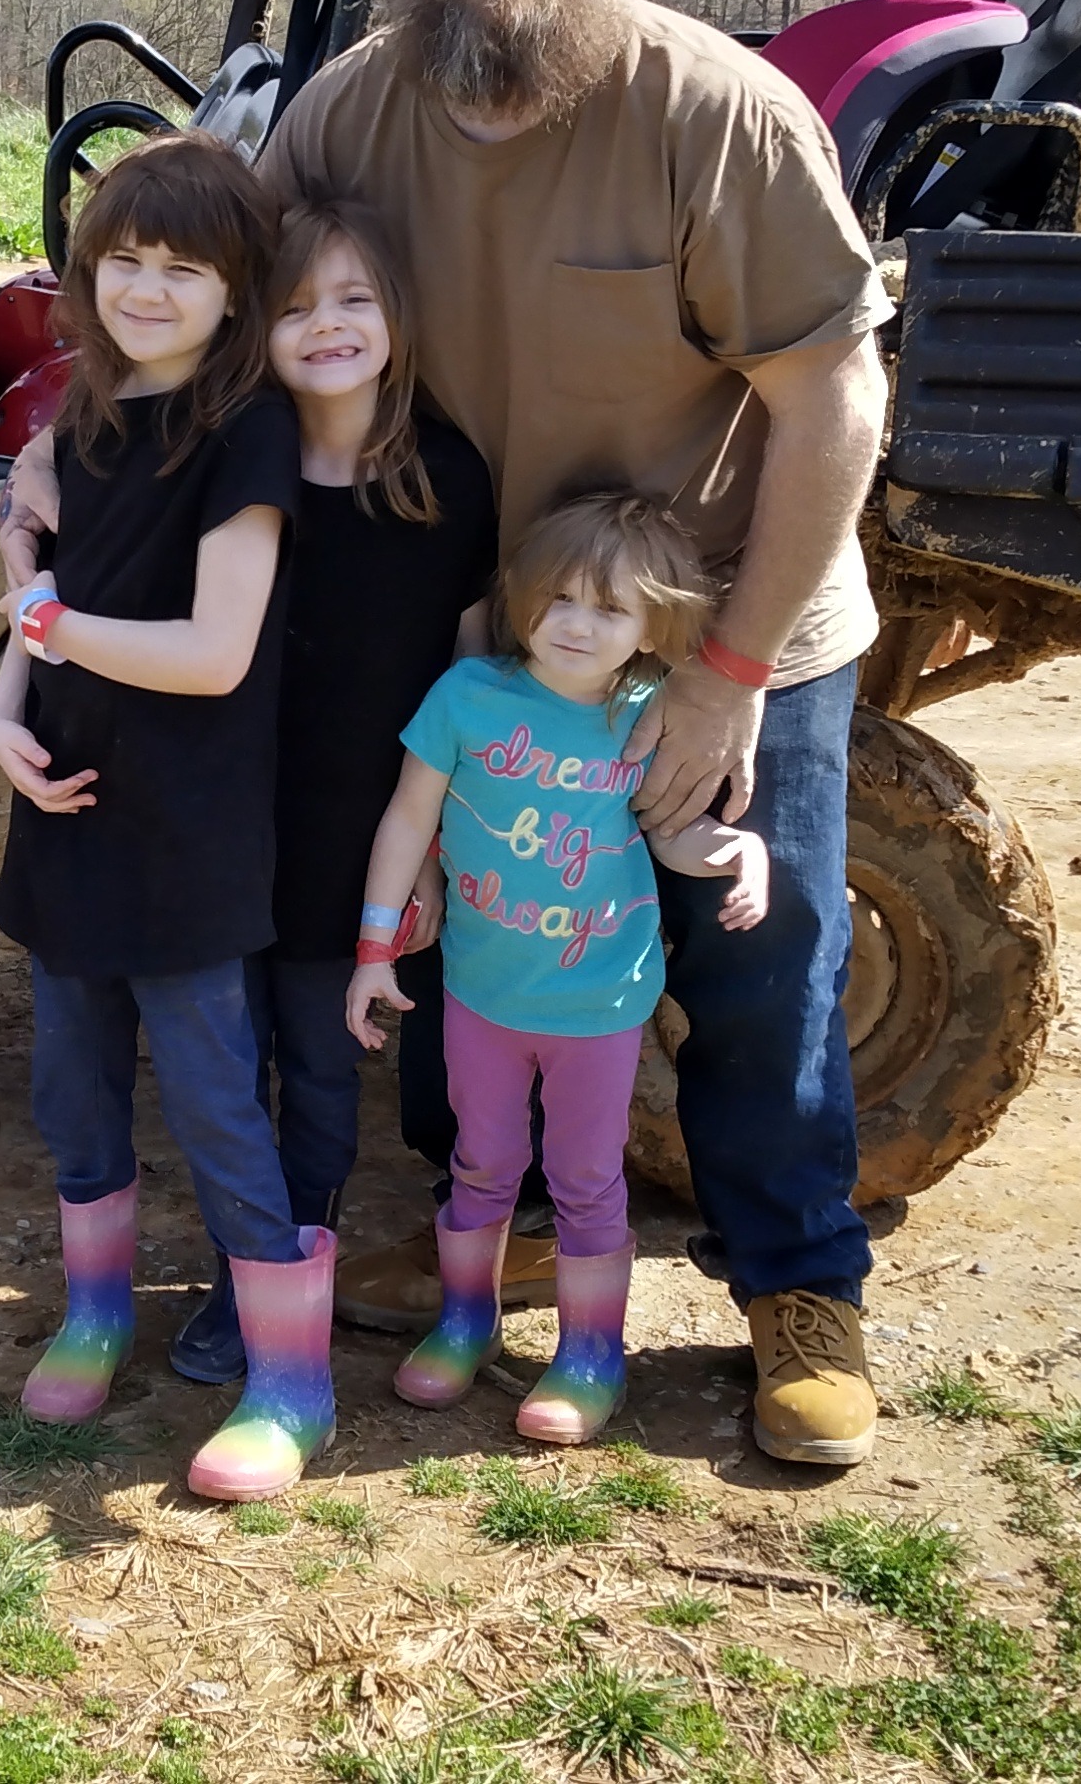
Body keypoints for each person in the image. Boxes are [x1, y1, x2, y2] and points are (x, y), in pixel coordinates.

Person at [38, 0, 896, 1464]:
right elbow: (208, 324)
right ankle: (493, 1230)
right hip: (471, 645)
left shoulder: (715, 113)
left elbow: (834, 401)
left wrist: (728, 675)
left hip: (708, 625)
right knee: (464, 941)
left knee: (752, 958)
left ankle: (801, 1284)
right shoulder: (347, 117)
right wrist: (41, 471)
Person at [17, 205, 500, 1386]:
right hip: (215, 816)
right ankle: (244, 1271)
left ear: (399, 317)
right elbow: (90, 532)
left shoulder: (446, 477)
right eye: (294, 308)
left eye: (354, 300)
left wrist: (428, 853)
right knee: (221, 1068)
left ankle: (285, 1277)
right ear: (251, 326)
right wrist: (24, 486)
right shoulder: (231, 452)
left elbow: (468, 671)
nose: (325, 327)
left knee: (320, 1066)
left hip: (356, 828)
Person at [0, 131, 331, 1504]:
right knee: (69, 1085)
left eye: (182, 270)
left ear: (238, 290)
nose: (144, 289)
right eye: (122, 260)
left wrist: (43, 622)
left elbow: (214, 654)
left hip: (187, 827)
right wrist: (4, 708)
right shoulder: (82, 415)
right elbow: (39, 591)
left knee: (212, 1096)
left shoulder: (247, 433)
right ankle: (95, 1315)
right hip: (65, 804)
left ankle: (290, 1376)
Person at [345, 491, 769, 1445]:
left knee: (586, 1176)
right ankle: (466, 1322)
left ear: (653, 628)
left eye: (611, 609)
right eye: (561, 598)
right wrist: (375, 948)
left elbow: (674, 833)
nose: (577, 624)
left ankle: (590, 1354)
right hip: (481, 995)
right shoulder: (467, 697)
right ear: (524, 597)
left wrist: (741, 852)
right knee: (480, 1162)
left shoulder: (649, 714)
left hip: (598, 1006)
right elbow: (408, 816)